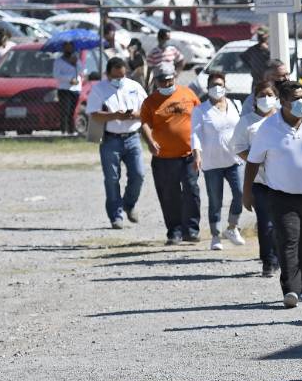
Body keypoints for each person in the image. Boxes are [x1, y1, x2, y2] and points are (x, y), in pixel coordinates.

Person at [244, 80, 302, 307]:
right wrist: (246, 192)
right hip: (280, 197)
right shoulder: (268, 128)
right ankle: (291, 290)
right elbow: (253, 162)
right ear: (282, 101)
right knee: (288, 240)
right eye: (295, 99)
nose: (300, 102)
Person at [141, 64, 203, 243]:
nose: (167, 83)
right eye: (163, 80)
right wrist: (150, 141)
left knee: (192, 190)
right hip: (164, 158)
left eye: (170, 79)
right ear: (157, 81)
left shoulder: (188, 94)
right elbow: (144, 123)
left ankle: (191, 229)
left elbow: (199, 116)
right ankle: (174, 231)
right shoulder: (150, 101)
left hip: (188, 155)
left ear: (175, 77)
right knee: (169, 194)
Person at [86, 57, 149, 229]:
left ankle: (129, 204)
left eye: (122, 76)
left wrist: (134, 115)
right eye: (116, 77)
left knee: (139, 174)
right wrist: (115, 116)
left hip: (132, 137)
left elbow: (147, 110)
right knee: (112, 179)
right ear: (108, 73)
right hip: (110, 139)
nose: (119, 80)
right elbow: (93, 114)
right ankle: (116, 215)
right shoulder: (99, 89)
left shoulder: (134, 87)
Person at [192, 71, 246, 251]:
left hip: (234, 159)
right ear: (207, 88)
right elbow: (196, 134)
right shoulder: (200, 110)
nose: (217, 88)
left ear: (225, 87)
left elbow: (243, 129)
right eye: (213, 85)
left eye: (220, 85)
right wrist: (197, 154)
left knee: (240, 193)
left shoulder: (235, 104)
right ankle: (215, 235)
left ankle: (232, 227)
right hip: (212, 162)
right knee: (215, 200)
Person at [232, 80, 281, 277]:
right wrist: (256, 160)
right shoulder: (246, 121)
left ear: (277, 98)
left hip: (283, 181)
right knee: (265, 221)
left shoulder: (282, 119)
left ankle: (278, 257)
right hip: (259, 181)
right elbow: (238, 147)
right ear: (254, 99)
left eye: (269, 94)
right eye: (261, 95)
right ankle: (268, 262)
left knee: (281, 222)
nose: (266, 99)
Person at [53, 41, 86, 135]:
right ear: (63, 48)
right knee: (65, 111)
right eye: (67, 47)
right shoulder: (59, 61)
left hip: (75, 89)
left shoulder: (76, 60)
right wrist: (69, 79)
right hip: (64, 89)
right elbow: (56, 75)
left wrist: (75, 63)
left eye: (70, 47)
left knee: (72, 111)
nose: (69, 49)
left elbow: (81, 71)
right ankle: (64, 131)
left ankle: (71, 131)